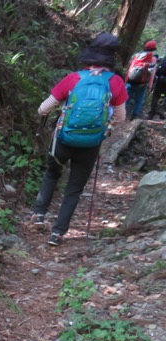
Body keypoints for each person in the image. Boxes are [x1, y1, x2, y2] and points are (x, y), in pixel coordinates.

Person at [31, 33, 128, 247]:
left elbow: (43, 109)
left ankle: (39, 215)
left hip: (63, 140)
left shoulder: (74, 78)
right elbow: (121, 117)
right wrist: (105, 127)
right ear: (111, 58)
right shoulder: (116, 82)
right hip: (91, 144)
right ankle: (57, 233)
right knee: (74, 188)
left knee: (52, 174)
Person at [125, 40, 158, 120]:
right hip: (142, 83)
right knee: (139, 100)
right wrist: (150, 85)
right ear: (154, 49)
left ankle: (123, 115)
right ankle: (134, 116)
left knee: (126, 98)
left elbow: (130, 67)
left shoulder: (137, 55)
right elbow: (152, 73)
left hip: (130, 80)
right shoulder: (153, 58)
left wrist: (126, 79)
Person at [147, 55, 166, 119]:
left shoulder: (164, 58)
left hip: (160, 81)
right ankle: (162, 111)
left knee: (156, 96)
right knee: (163, 96)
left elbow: (158, 69)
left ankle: (152, 113)